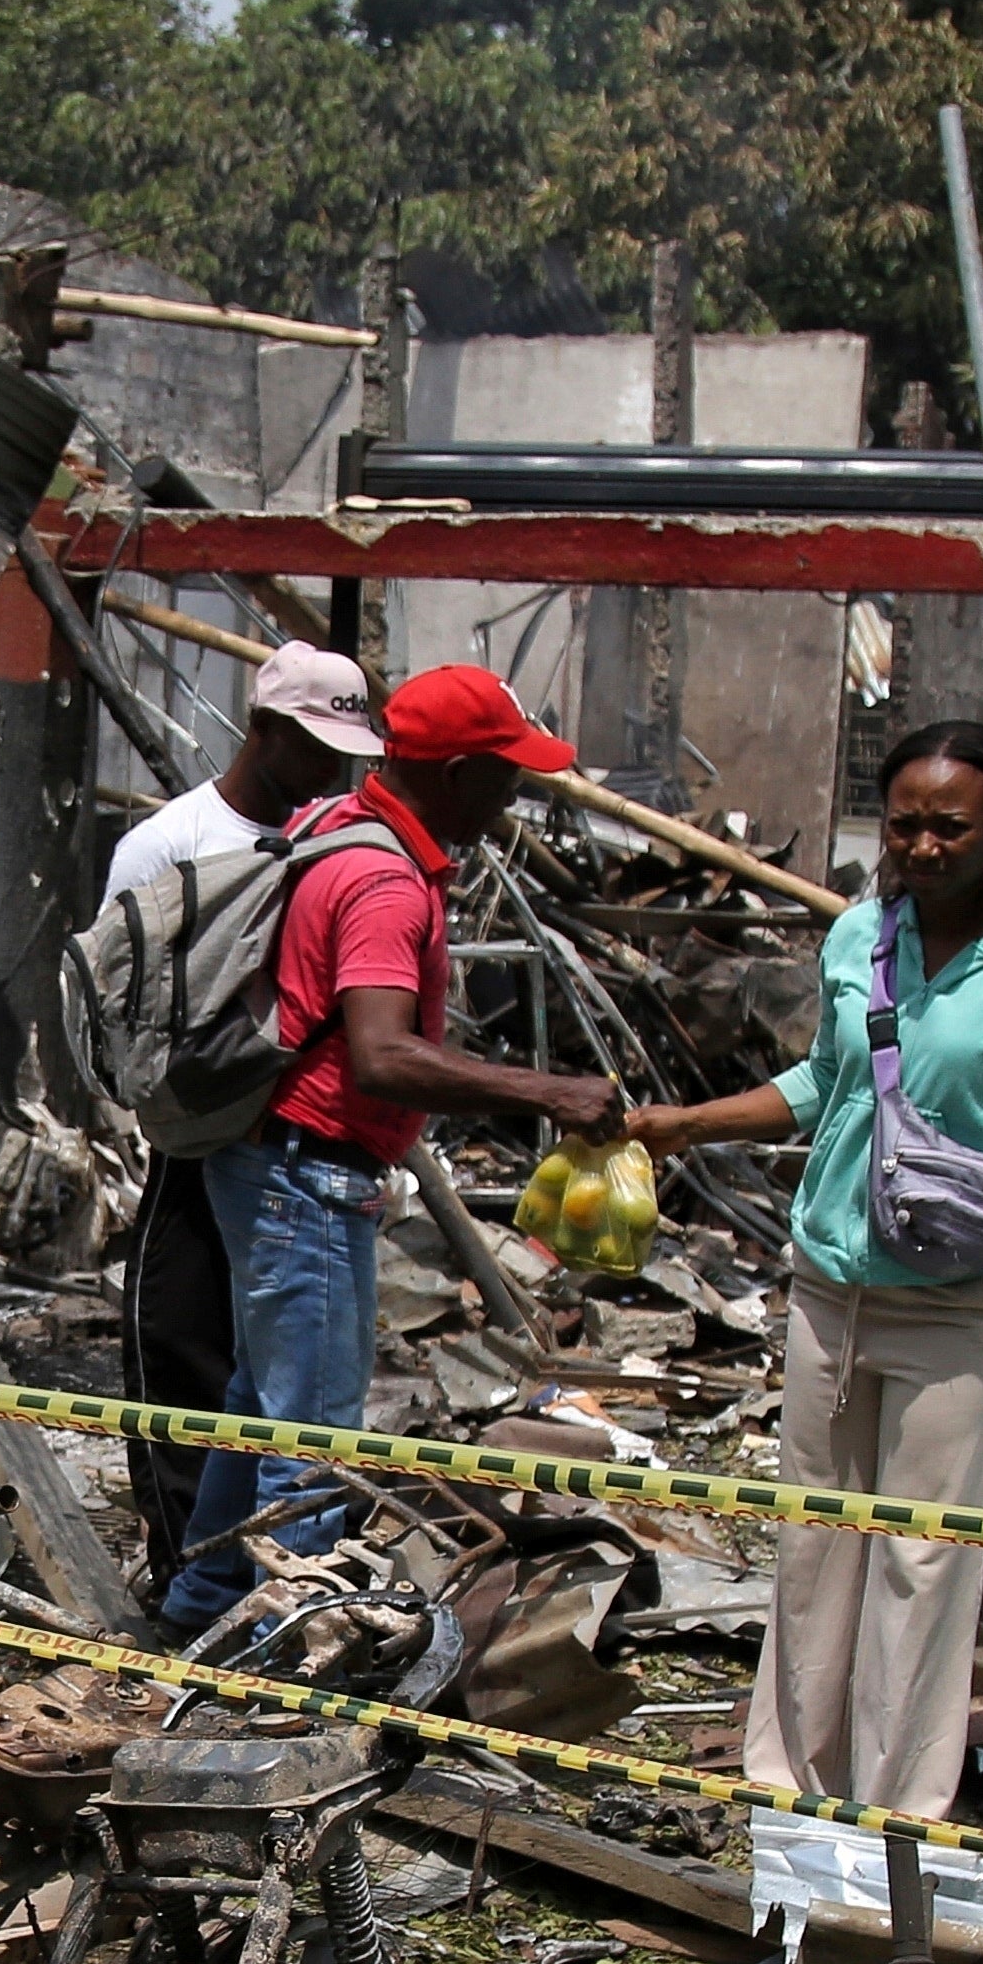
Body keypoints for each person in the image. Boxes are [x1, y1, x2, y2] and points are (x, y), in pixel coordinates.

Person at [624, 723, 983, 1816]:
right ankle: (792, 1792)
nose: (925, 846)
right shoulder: (863, 936)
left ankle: (896, 1817)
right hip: (830, 1290)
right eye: (904, 825)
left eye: (951, 826)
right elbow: (829, 1082)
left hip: (956, 1306)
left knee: (922, 1563)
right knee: (814, 1545)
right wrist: (688, 1123)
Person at [161, 660, 622, 1632]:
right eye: (506, 775)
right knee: (315, 1435)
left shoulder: (334, 824)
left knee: (261, 1404)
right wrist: (551, 1093)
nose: (512, 798)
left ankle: (202, 1604)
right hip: (308, 1178)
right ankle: (289, 1653)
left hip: (269, 1160)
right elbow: (382, 1056)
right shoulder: (383, 880)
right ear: (456, 773)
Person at [102, 642, 383, 1600]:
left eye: (344, 752)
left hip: (292, 1146)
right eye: (315, 747)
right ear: (262, 728)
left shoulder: (334, 838)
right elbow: (123, 1004)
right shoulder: (171, 842)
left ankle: (226, 1585)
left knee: (273, 1382)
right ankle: (188, 1568)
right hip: (200, 1139)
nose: (331, 769)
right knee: (184, 1349)